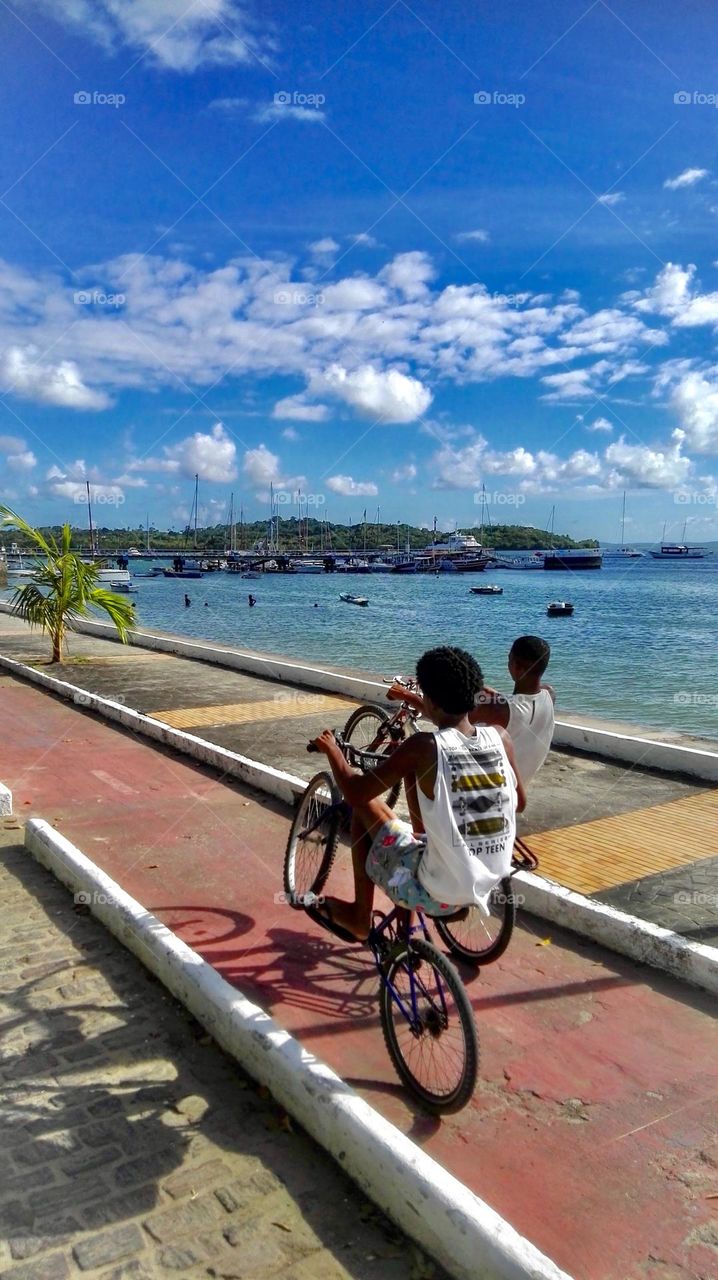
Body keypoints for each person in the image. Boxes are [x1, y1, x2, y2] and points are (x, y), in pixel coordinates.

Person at [309, 646, 525, 942]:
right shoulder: (500, 736)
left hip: (438, 889)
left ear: (431, 701)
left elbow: (355, 792)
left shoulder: (423, 748)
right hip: (488, 882)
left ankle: (360, 916)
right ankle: (418, 920)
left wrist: (333, 752)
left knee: (363, 807)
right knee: (406, 822)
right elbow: (520, 803)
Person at [389, 635, 554, 789]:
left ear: (516, 666)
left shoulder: (496, 710)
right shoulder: (549, 694)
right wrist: (484, 690)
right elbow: (519, 704)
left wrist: (406, 695)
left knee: (413, 764)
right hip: (518, 786)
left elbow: (442, 718)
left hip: (487, 786)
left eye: (509, 658)